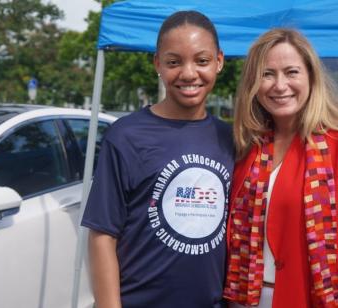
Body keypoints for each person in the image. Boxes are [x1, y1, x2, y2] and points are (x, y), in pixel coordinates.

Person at [81, 11, 234, 308]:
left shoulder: (231, 138)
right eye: (174, 62)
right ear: (157, 64)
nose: (189, 74)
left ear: (219, 61)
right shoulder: (125, 136)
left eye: (201, 61)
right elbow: (102, 235)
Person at [223, 28, 338, 308]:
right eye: (267, 74)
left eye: (291, 72)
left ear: (311, 77)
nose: (279, 85)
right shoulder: (247, 144)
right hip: (244, 301)